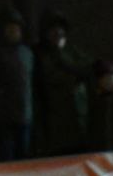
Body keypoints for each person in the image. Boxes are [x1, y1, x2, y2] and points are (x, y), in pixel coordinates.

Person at [0, 7, 34, 161]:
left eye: (16, 28)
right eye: (9, 28)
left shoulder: (27, 53)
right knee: (6, 158)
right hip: (2, 119)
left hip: (24, 116)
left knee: (23, 157)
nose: (13, 32)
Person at [33, 9, 90, 156]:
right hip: (53, 119)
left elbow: (86, 69)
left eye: (60, 29)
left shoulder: (71, 51)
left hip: (76, 117)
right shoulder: (39, 54)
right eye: (52, 29)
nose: (57, 33)